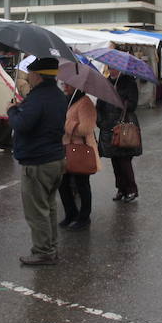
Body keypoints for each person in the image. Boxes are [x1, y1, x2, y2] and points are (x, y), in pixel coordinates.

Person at [8, 57, 67, 266]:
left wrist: (12, 110)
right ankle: (50, 247)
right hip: (55, 158)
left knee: (37, 210)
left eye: (30, 74)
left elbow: (23, 125)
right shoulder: (58, 96)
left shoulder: (38, 97)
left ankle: (43, 251)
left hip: (37, 162)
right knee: (48, 206)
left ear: (38, 75)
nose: (29, 78)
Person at [96, 68, 142, 203]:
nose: (111, 69)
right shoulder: (106, 83)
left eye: (113, 67)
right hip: (109, 127)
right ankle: (121, 189)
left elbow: (133, 105)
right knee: (115, 160)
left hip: (124, 126)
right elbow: (99, 105)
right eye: (109, 67)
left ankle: (131, 189)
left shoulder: (129, 82)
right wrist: (101, 122)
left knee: (124, 160)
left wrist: (118, 98)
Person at [59, 84, 97, 231]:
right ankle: (71, 213)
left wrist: (68, 125)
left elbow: (87, 128)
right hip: (67, 148)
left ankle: (84, 217)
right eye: (64, 83)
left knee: (82, 184)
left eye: (67, 84)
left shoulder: (85, 102)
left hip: (81, 149)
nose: (64, 85)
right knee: (63, 183)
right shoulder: (68, 100)